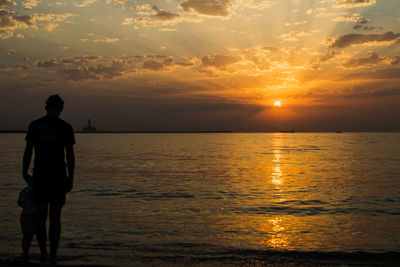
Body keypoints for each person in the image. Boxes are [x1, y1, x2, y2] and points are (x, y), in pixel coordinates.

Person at [22, 94, 75, 264]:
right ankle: (53, 254)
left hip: (40, 175)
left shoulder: (35, 125)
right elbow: (70, 155)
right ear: (61, 108)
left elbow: (28, 150)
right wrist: (71, 177)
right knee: (55, 217)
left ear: (46, 107)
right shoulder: (65, 127)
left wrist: (24, 171)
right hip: (58, 175)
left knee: (41, 216)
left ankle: (44, 252)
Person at [18, 183, 38, 261]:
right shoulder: (39, 191)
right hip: (34, 217)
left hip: (25, 216)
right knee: (39, 236)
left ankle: (25, 253)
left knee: (26, 237)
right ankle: (26, 253)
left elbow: (20, 202)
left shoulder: (25, 190)